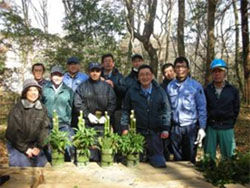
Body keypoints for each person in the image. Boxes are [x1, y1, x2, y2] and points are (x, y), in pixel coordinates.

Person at [121, 64, 171, 168]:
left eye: (147, 74)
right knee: (135, 164)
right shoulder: (132, 91)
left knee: (159, 164)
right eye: (142, 75)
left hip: (155, 133)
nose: (145, 77)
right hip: (137, 133)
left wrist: (165, 128)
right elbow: (125, 110)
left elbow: (166, 110)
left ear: (152, 75)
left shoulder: (160, 91)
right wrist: (124, 127)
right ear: (138, 77)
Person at [167, 56, 207, 163]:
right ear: (174, 69)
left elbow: (202, 108)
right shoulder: (170, 86)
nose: (180, 69)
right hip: (175, 128)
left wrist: (202, 127)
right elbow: (167, 108)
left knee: (189, 160)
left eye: (183, 67)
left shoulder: (196, 86)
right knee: (176, 159)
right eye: (178, 67)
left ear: (188, 69)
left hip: (190, 128)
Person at [74, 62, 116, 161]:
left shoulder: (107, 87)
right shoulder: (82, 87)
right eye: (92, 71)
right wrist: (87, 115)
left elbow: (112, 102)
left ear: (100, 72)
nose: (95, 73)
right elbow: (78, 103)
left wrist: (106, 116)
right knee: (90, 151)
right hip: (88, 124)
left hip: (103, 124)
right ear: (89, 72)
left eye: (97, 71)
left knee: (104, 151)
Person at [5, 78, 49, 167]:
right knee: (22, 168)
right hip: (18, 145)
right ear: (25, 93)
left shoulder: (42, 108)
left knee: (42, 167)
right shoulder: (17, 109)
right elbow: (12, 133)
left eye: (35, 90)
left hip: (35, 145)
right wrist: (25, 149)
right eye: (30, 90)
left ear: (39, 92)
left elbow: (45, 130)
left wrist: (39, 147)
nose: (33, 93)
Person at [204, 59, 240, 161]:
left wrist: (231, 121)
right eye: (214, 71)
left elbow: (236, 108)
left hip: (227, 126)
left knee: (229, 156)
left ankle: (228, 175)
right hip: (211, 127)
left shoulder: (232, 90)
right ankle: (209, 174)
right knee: (208, 157)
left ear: (224, 73)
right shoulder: (207, 90)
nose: (217, 74)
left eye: (220, 71)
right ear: (212, 74)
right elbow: (203, 108)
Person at [42, 65, 74, 162]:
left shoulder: (68, 91)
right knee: (50, 152)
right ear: (51, 76)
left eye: (59, 75)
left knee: (67, 148)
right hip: (48, 124)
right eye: (55, 75)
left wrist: (67, 119)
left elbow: (72, 106)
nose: (57, 77)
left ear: (63, 77)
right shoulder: (44, 89)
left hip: (63, 124)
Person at [101, 53, 124, 134]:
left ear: (113, 63)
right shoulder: (98, 75)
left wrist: (114, 85)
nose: (108, 63)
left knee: (118, 131)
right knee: (102, 132)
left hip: (116, 109)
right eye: (105, 61)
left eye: (110, 61)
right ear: (102, 64)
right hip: (102, 109)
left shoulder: (119, 76)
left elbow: (123, 91)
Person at [160, 63, 176, 160]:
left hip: (178, 121)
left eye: (170, 71)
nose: (168, 74)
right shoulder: (161, 87)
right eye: (166, 72)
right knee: (165, 146)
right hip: (165, 120)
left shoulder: (180, 84)